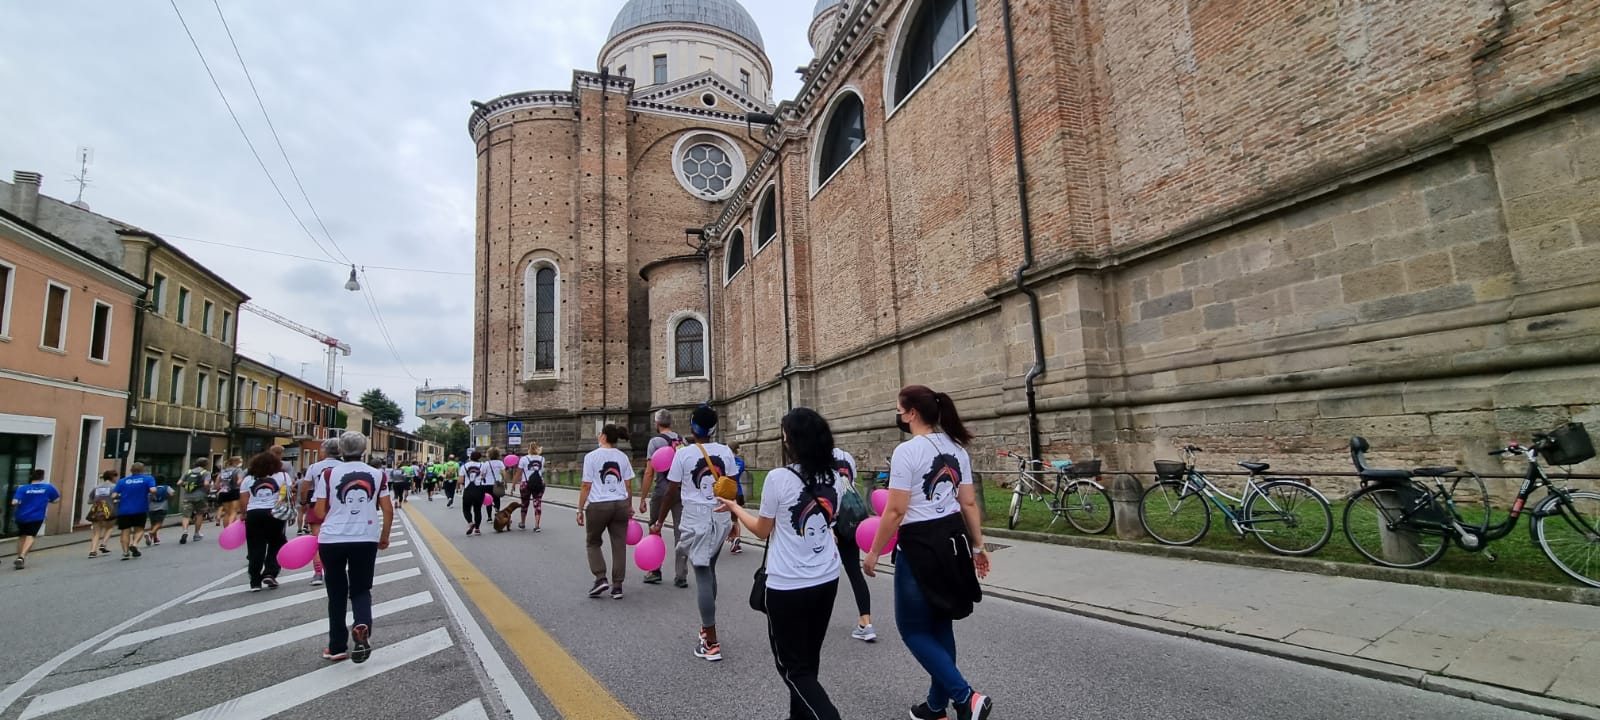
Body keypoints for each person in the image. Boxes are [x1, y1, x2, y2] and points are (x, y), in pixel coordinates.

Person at [863, 385, 992, 720]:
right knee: (940, 624)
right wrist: (979, 546)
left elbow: (894, 511)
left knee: (913, 630)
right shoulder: (957, 449)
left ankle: (966, 697)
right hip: (952, 541)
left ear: (911, 414)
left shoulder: (907, 452)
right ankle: (936, 707)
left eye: (899, 409)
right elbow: (968, 502)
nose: (898, 416)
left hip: (919, 545)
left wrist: (875, 552)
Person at [722, 408, 844, 720]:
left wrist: (735, 507)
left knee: (792, 669)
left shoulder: (779, 478)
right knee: (808, 660)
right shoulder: (835, 478)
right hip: (827, 578)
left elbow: (762, 529)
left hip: (788, 585)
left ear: (792, 440)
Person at [653, 405, 739, 661]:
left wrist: (659, 520)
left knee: (701, 573)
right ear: (714, 429)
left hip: (696, 518)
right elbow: (733, 490)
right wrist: (735, 520)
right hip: (721, 514)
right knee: (709, 569)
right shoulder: (725, 451)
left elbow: (672, 491)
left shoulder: (684, 454)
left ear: (692, 426)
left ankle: (711, 642)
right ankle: (706, 627)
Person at [315, 431, 394, 663]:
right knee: (361, 589)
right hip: (365, 538)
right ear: (364, 449)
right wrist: (385, 536)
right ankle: (362, 624)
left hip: (332, 539)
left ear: (340, 449)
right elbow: (388, 509)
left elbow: (319, 512)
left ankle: (337, 646)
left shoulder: (328, 474)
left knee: (336, 593)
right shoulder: (378, 474)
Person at [578, 426, 634, 599]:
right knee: (619, 545)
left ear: (603, 436)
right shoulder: (623, 457)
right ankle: (617, 586)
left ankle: (600, 577)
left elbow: (586, 485)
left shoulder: (591, 457)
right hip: (620, 504)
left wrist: (579, 508)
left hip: (599, 505)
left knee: (593, 542)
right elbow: (628, 485)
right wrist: (629, 505)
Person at [638, 409, 687, 587]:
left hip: (662, 490)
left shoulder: (655, 441)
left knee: (654, 527)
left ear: (657, 424)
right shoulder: (682, 440)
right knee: (680, 532)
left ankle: (654, 570)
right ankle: (681, 575)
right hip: (680, 491)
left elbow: (650, 472)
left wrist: (643, 497)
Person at [833, 446, 876, 642]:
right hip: (851, 520)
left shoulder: (817, 456)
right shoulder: (846, 456)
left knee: (819, 573)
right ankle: (866, 622)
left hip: (830, 522)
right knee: (854, 571)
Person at [238, 451, 291, 591]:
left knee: (255, 546)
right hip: (275, 513)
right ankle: (270, 572)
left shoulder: (248, 479)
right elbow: (287, 496)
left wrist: (244, 514)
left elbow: (243, 499)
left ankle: (255, 580)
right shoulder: (283, 476)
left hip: (254, 514)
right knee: (277, 543)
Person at [301, 438, 343, 587]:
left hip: (317, 504)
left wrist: (303, 502)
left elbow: (305, 487)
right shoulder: (343, 466)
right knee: (337, 540)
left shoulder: (314, 467)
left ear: (324, 451)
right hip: (338, 507)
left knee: (317, 541)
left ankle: (318, 573)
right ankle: (334, 570)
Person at [10, 469, 61, 569]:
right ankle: (22, 556)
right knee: (31, 536)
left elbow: (14, 502)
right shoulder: (48, 487)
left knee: (21, 536)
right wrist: (45, 500)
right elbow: (56, 500)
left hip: (21, 516)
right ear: (42, 477)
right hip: (36, 516)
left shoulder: (23, 488)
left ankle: (19, 556)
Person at [111, 463, 158, 560]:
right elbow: (153, 490)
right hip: (140, 509)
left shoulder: (122, 481)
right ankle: (134, 544)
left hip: (124, 510)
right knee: (139, 529)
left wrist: (122, 496)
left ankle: (125, 552)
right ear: (142, 470)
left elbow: (113, 496)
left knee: (125, 531)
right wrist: (151, 493)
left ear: (131, 470)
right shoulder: (148, 479)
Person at [178, 459, 213, 544]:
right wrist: (207, 491)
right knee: (200, 514)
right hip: (200, 496)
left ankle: (185, 531)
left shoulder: (188, 472)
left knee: (186, 515)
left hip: (187, 496)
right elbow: (206, 484)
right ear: (206, 464)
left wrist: (187, 487)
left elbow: (179, 483)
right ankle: (196, 534)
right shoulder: (206, 472)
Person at [86, 470, 118, 558]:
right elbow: (118, 497)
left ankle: (92, 551)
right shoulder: (114, 487)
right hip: (109, 510)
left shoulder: (96, 487)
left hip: (96, 511)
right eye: (116, 477)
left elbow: (89, 501)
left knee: (96, 532)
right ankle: (103, 544)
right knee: (110, 528)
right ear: (113, 477)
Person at [459, 451, 490, 535]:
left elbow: (461, 480)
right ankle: (477, 528)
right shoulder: (482, 465)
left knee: (466, 509)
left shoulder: (464, 466)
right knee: (477, 509)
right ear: (479, 458)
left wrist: (460, 485)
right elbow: (484, 476)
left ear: (470, 457)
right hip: (479, 489)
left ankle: (470, 523)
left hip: (468, 490)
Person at [518, 443, 546, 531]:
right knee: (537, 504)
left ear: (528, 449)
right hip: (539, 483)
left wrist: (513, 485)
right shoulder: (542, 459)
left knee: (524, 503)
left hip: (525, 483)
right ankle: (537, 525)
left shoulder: (523, 459)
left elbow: (518, 472)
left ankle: (523, 523)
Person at [727, 441, 747, 555]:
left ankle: (732, 538)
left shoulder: (726, 462)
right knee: (735, 519)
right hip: (738, 492)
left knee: (725, 518)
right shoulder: (741, 463)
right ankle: (736, 541)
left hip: (727, 492)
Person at [216, 456, 245, 528]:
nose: (241, 463)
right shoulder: (238, 470)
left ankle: (226, 530)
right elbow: (239, 481)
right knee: (234, 512)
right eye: (240, 461)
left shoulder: (223, 470)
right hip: (234, 491)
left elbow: (217, 484)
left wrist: (219, 488)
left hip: (224, 492)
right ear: (236, 462)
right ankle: (230, 529)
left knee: (227, 513)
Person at [145, 479, 172, 545]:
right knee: (159, 523)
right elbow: (172, 493)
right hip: (162, 507)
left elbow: (148, 498)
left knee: (153, 524)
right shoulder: (167, 487)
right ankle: (151, 533)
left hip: (151, 508)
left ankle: (154, 539)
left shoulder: (152, 489)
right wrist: (170, 500)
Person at [485, 448, 508, 513]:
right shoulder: (500, 463)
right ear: (498, 455)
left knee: (488, 500)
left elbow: (483, 474)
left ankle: (489, 517)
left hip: (487, 484)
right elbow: (504, 473)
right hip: (497, 483)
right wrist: (505, 482)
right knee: (497, 499)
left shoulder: (486, 463)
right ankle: (497, 511)